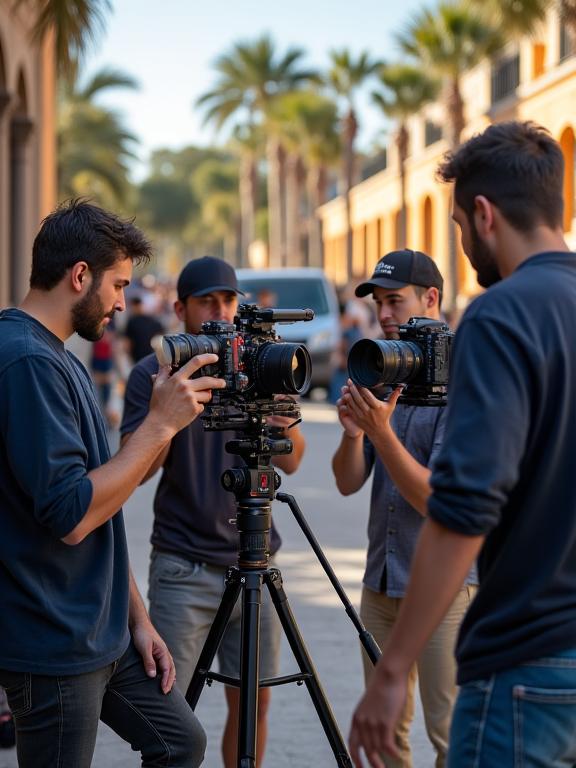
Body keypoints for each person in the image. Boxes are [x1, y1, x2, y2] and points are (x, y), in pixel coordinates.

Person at [349, 120, 576, 768]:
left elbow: (462, 508)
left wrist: (392, 670)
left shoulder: (501, 313)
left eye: (456, 224)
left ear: (483, 214)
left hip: (523, 665)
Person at [0, 200, 227, 768]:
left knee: (181, 741)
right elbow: (74, 515)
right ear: (80, 276)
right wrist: (160, 425)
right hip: (54, 641)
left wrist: (137, 619)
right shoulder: (27, 361)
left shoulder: (58, 355)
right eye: (119, 284)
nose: (125, 301)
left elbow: (103, 507)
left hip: (102, 632)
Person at [120, 255, 306, 768]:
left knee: (255, 701)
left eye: (228, 299)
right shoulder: (151, 374)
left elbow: (295, 457)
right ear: (180, 308)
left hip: (257, 560)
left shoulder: (258, 363)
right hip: (185, 564)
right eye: (207, 301)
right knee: (171, 712)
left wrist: (275, 402)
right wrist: (169, 411)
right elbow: (138, 471)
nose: (220, 311)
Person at [332, 249, 477, 768]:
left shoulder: (461, 377)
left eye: (395, 301)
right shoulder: (383, 366)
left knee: (450, 730)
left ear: (431, 298)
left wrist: (380, 432)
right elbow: (348, 482)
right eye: (379, 305)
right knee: (385, 735)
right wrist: (353, 438)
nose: (385, 315)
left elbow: (435, 500)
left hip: (445, 588)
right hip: (380, 584)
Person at [122, 294, 166, 363]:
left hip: (138, 357)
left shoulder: (132, 321)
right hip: (150, 356)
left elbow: (127, 344)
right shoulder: (152, 320)